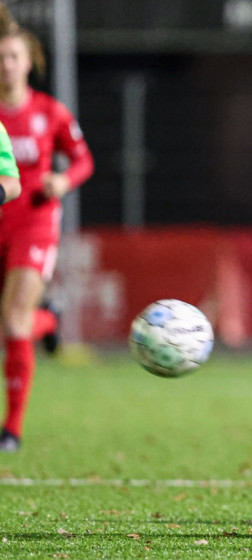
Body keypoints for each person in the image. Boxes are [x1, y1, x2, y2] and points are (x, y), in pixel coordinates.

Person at [0, 4, 94, 453]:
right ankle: (49, 319)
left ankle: (11, 430)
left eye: (13, 56)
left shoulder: (49, 113)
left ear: (28, 61)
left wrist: (63, 180)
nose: (6, 64)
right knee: (12, 323)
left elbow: (84, 160)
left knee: (13, 319)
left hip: (34, 221)